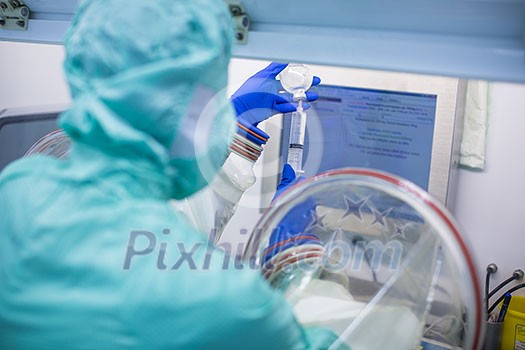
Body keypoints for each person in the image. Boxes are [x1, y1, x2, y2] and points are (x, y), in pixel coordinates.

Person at [0, 0, 344, 348]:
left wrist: (237, 136)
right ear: (191, 115)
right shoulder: (223, 299)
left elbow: (145, 238)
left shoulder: (16, 191)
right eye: (211, 103)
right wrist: (294, 262)